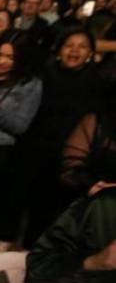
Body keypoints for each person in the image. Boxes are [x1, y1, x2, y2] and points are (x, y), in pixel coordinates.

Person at [21, 28, 107, 247]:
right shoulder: (43, 76)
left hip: (72, 159)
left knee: (60, 209)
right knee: (34, 203)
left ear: (91, 53)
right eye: (69, 45)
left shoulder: (99, 83)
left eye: (82, 46)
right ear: (59, 50)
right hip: (37, 150)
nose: (74, 51)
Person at [0, 33, 43, 255]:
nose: (2, 61)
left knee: (4, 197)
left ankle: (5, 236)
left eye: (10, 57)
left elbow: (20, 125)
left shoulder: (30, 84)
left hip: (4, 149)